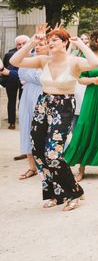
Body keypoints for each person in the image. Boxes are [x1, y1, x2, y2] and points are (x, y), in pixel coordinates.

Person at [10, 24, 98, 210]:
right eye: (49, 40)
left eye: (55, 40)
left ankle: (74, 192)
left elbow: (94, 63)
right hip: (43, 104)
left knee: (53, 154)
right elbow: (15, 61)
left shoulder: (74, 61)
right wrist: (32, 42)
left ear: (65, 42)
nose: (50, 43)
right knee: (39, 153)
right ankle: (53, 194)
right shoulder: (43, 60)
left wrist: (81, 45)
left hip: (63, 106)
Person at [65, 29, 98, 181]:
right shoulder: (86, 56)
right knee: (86, 126)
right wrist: (92, 80)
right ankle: (81, 168)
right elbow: (80, 78)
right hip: (92, 94)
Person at [16, 37, 49, 179]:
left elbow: (41, 78)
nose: (37, 47)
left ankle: (48, 167)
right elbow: (21, 74)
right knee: (27, 129)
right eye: (36, 45)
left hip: (44, 96)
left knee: (46, 131)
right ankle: (32, 167)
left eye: (41, 44)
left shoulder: (50, 61)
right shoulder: (26, 61)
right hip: (27, 98)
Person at [1, 35, 29, 130]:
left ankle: (23, 119)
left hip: (26, 82)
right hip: (11, 81)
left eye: (24, 43)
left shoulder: (34, 55)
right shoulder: (9, 55)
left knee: (23, 101)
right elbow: (4, 68)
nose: (21, 46)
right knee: (11, 100)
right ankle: (11, 122)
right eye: (18, 44)